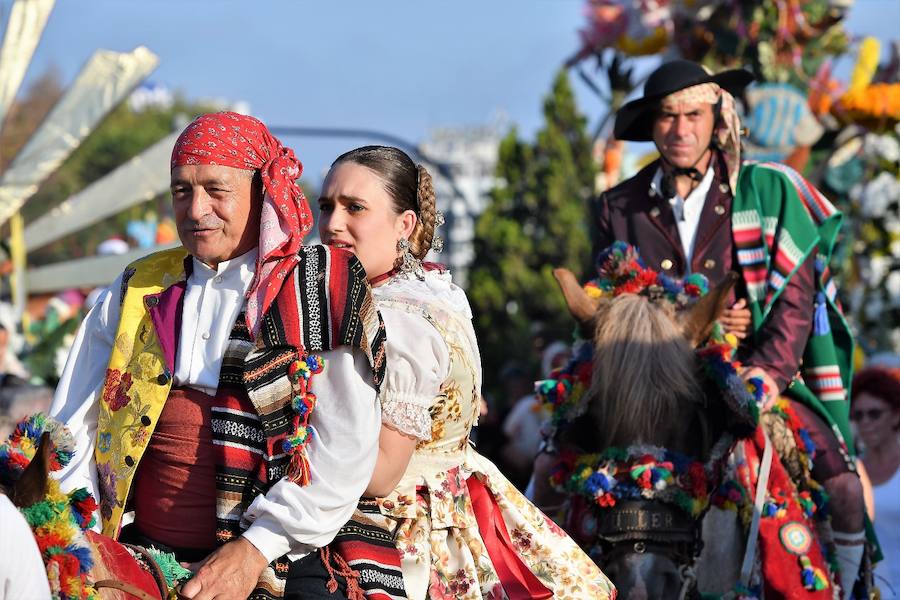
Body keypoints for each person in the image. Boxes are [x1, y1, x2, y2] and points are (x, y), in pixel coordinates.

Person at [50, 112, 387, 599]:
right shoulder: (136, 286)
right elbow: (74, 426)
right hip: (137, 548)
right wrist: (82, 537)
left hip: (283, 551)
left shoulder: (319, 287)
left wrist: (255, 549)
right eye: (181, 191)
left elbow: (342, 448)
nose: (195, 209)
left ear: (263, 191)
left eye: (216, 189)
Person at [591, 59, 865, 595]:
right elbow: (606, 302)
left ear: (718, 117)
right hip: (649, 388)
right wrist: (692, 325)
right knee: (553, 463)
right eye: (667, 116)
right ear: (651, 123)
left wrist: (755, 365)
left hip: (750, 373)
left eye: (694, 113)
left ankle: (853, 587)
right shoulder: (618, 206)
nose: (680, 129)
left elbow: (793, 308)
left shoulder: (767, 191)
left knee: (845, 488)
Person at [317, 145, 615, 599]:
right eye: (326, 206)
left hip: (396, 534)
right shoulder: (438, 293)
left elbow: (381, 477)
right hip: (455, 512)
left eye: (354, 207)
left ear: (405, 225)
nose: (333, 223)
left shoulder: (397, 319)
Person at [851, 366, 900, 594]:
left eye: (874, 413)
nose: (865, 422)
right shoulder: (849, 471)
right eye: (858, 415)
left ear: (896, 415)